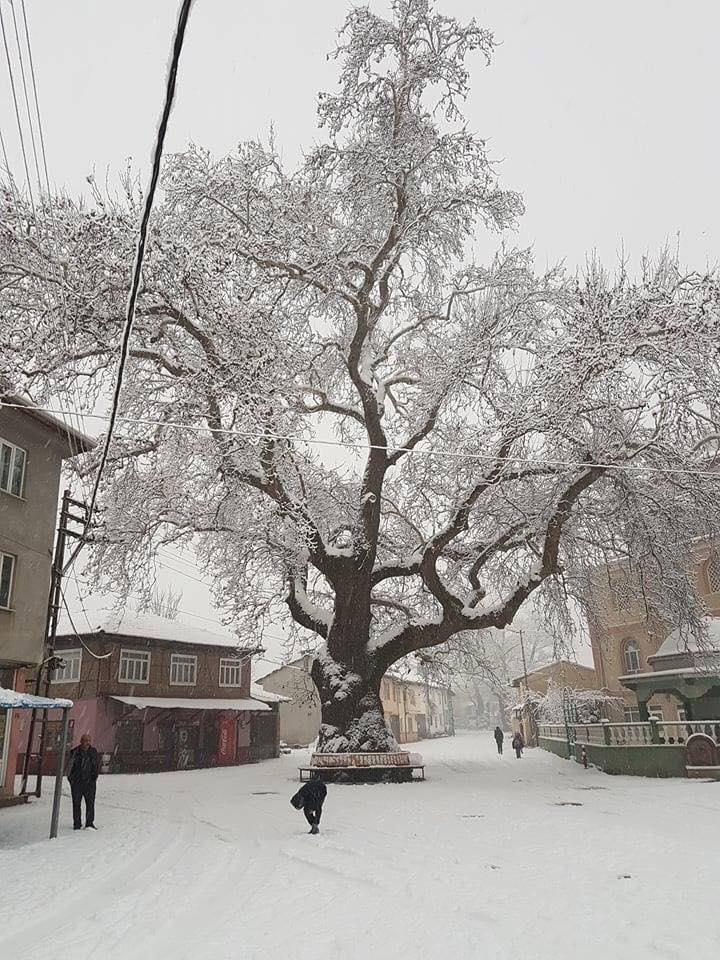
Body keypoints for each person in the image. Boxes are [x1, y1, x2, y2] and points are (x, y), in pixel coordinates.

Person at [67, 733, 100, 830]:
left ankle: (89, 823)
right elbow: (69, 767)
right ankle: (77, 824)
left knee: (90, 803)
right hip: (77, 782)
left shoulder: (93, 752)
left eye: (89, 741)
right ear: (81, 741)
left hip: (90, 782)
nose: (87, 743)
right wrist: (72, 780)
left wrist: (94, 777)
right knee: (76, 803)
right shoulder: (75, 752)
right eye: (85, 741)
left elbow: (96, 765)